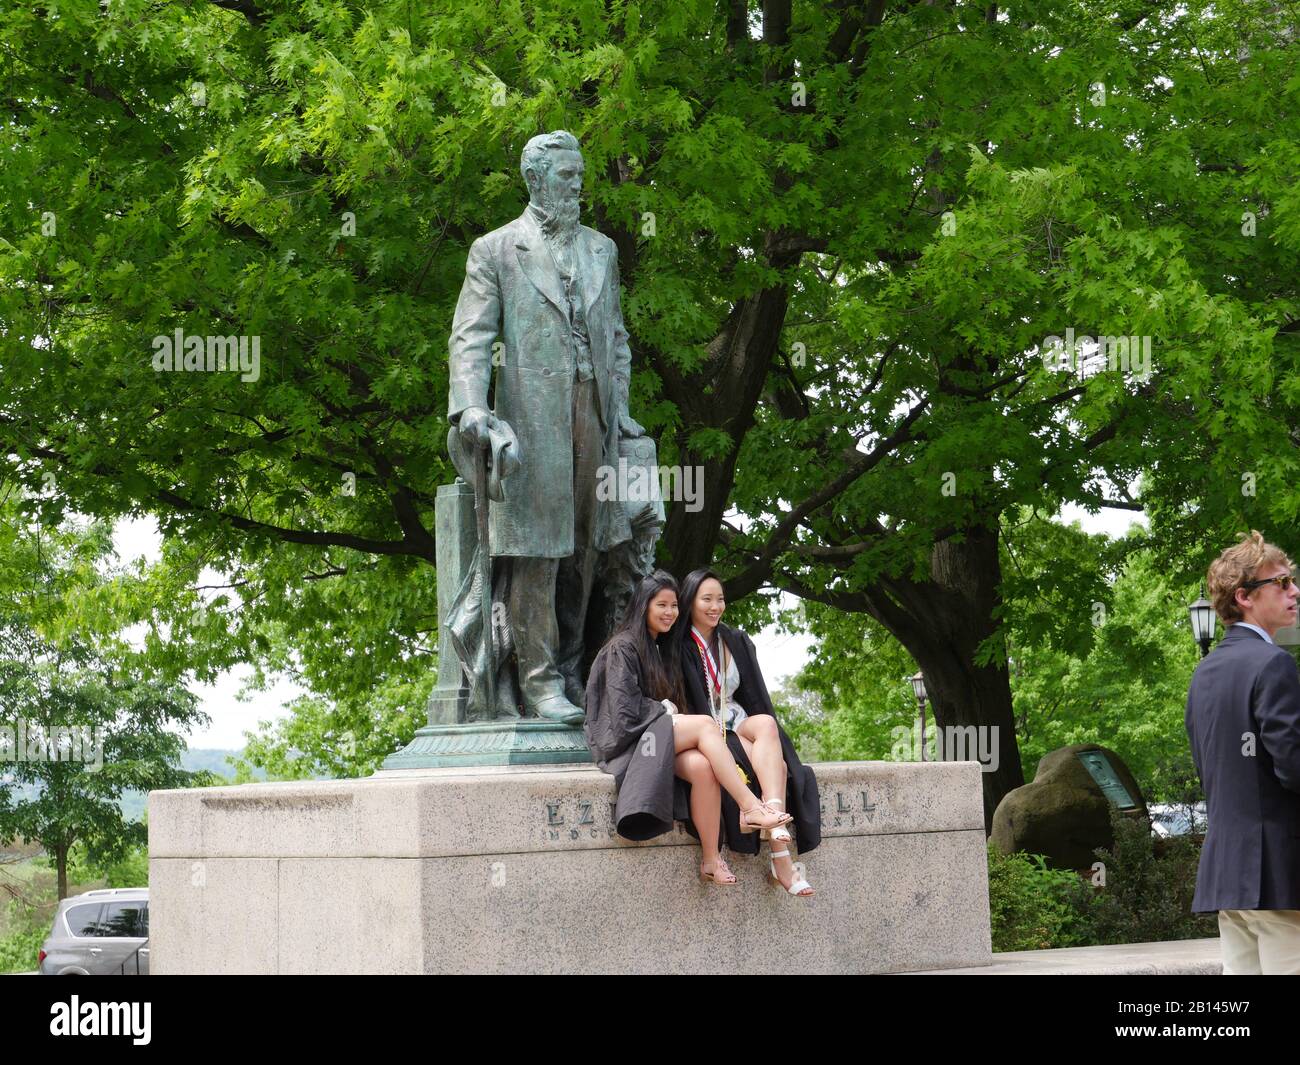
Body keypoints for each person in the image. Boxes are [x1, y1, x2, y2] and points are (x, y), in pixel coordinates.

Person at [448, 130, 644, 724]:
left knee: (587, 546)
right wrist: (473, 409)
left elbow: (615, 338)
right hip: (531, 420)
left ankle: (576, 669)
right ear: (535, 180)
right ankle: (537, 682)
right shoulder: (497, 249)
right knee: (539, 548)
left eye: (580, 174)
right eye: (566, 175)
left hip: (595, 415)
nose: (578, 184)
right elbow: (471, 338)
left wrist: (622, 407)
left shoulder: (601, 250)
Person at [583, 570, 791, 884]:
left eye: (673, 606)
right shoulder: (622, 647)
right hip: (632, 741)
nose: (669, 613)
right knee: (706, 725)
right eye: (661, 606)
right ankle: (750, 806)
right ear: (643, 607)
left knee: (702, 768)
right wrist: (665, 710)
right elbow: (623, 711)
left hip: (658, 738)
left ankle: (711, 858)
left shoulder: (661, 648)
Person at [1186, 531, 1300, 974]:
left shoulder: (1204, 673)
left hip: (1228, 874)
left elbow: (1211, 769)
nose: (1294, 591)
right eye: (1282, 582)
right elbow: (1292, 765)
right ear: (1244, 597)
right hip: (1280, 875)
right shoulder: (1274, 664)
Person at [670, 569, 821, 897]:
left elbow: (755, 696)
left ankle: (772, 819)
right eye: (706, 599)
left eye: (720, 599)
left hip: (736, 720)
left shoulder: (735, 640)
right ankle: (780, 857)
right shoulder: (677, 643)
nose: (715, 606)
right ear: (690, 601)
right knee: (777, 769)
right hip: (706, 726)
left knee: (766, 723)